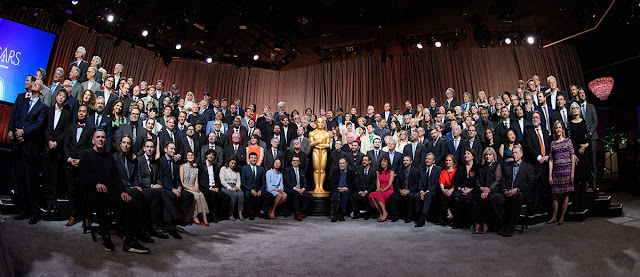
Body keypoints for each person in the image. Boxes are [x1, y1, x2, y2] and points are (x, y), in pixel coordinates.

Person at [78, 130, 149, 253]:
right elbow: (83, 175)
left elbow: (116, 177)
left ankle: (130, 241)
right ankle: (105, 236)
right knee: (101, 197)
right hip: (92, 192)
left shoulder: (109, 156)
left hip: (109, 192)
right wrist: (96, 183)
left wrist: (122, 191)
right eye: (98, 137)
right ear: (93, 140)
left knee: (129, 200)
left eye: (103, 137)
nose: (100, 139)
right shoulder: (86, 154)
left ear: (106, 141)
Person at [11, 80, 48, 224]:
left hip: (30, 147)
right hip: (18, 146)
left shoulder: (42, 106)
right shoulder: (23, 102)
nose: (34, 84)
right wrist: (17, 134)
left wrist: (24, 133)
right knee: (19, 180)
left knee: (30, 181)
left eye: (37, 84)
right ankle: (23, 210)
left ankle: (33, 213)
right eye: (34, 83)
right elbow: (17, 118)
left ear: (41, 90)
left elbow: (39, 125)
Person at [490, 145, 533, 237]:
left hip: (520, 193)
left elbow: (529, 184)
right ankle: (503, 224)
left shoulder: (528, 168)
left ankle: (511, 227)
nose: (514, 155)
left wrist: (516, 190)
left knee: (517, 197)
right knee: (495, 198)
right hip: (507, 193)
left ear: (521, 154)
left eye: (516, 153)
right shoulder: (507, 167)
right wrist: (505, 190)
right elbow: (502, 181)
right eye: (513, 153)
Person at [64, 105, 95, 227]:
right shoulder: (71, 127)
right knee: (72, 191)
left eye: (84, 112)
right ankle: (73, 215)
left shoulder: (91, 129)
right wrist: (69, 159)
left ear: (87, 115)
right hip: (70, 164)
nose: (81, 113)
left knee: (84, 192)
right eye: (80, 111)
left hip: (83, 165)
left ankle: (86, 217)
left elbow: (89, 148)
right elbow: (66, 145)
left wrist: (81, 161)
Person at [157, 142, 194, 239]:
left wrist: (179, 188)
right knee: (171, 196)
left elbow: (177, 178)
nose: (174, 151)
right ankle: (174, 222)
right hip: (166, 188)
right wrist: (172, 189)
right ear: (165, 150)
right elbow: (161, 178)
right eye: (171, 149)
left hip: (175, 188)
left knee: (189, 196)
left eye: (174, 149)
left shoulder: (175, 162)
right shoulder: (161, 161)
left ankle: (179, 218)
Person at [134, 139, 169, 239]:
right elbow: (138, 177)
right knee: (158, 193)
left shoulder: (154, 162)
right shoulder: (139, 160)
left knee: (163, 191)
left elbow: (157, 177)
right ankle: (154, 226)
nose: (149, 149)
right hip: (144, 188)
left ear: (154, 149)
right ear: (144, 148)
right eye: (147, 147)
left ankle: (156, 225)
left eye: (151, 147)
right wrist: (151, 185)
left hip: (153, 188)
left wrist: (158, 184)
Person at [44, 89, 71, 213]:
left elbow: (66, 131)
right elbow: (45, 127)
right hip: (47, 146)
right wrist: (49, 141)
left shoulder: (66, 113)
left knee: (55, 175)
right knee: (46, 174)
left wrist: (56, 142)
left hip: (58, 147)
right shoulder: (48, 110)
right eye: (60, 95)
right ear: (56, 97)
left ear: (65, 99)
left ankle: (53, 202)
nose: (61, 98)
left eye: (63, 97)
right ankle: (45, 201)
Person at [548, 121, 576, 225]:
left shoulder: (568, 141)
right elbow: (551, 160)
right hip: (556, 172)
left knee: (565, 194)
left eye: (560, 127)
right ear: (554, 130)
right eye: (556, 128)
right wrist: (550, 175)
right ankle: (554, 216)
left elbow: (572, 156)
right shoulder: (553, 143)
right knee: (554, 194)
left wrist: (572, 172)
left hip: (567, 171)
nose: (558, 129)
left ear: (562, 129)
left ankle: (562, 216)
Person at [523, 111, 551, 214]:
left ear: (540, 120)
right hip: (535, 164)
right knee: (536, 187)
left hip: (546, 163)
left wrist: (547, 156)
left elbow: (548, 145)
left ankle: (544, 209)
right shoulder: (528, 131)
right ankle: (535, 210)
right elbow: (529, 147)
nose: (534, 119)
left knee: (545, 187)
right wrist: (539, 158)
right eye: (533, 118)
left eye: (536, 117)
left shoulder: (545, 131)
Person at [568, 101, 591, 210]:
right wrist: (573, 154)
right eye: (572, 108)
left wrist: (585, 146)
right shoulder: (569, 124)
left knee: (584, 179)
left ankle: (584, 204)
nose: (574, 110)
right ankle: (577, 205)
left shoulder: (584, 122)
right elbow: (569, 141)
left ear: (579, 109)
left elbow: (589, 139)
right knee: (576, 181)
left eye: (576, 108)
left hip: (584, 154)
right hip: (575, 155)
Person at [197, 149, 230, 223]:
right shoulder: (201, 165)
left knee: (226, 197)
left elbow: (218, 180)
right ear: (206, 155)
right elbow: (200, 180)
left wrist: (217, 188)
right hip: (206, 188)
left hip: (215, 187)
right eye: (210, 154)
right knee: (213, 195)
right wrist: (210, 188)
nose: (211, 156)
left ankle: (219, 215)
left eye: (213, 155)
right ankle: (213, 216)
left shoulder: (216, 167)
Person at [474, 148, 502, 234]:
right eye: (486, 154)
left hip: (493, 190)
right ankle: (478, 222)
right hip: (482, 189)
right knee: (475, 198)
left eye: (490, 154)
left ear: (493, 156)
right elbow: (477, 180)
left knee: (485, 199)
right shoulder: (482, 167)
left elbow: (497, 180)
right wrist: (481, 188)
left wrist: (488, 190)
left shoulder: (497, 165)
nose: (488, 156)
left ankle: (484, 223)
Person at [451, 149, 480, 229]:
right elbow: (456, 181)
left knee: (469, 198)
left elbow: (478, 181)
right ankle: (457, 221)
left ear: (473, 156)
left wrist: (470, 189)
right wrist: (461, 189)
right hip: (461, 189)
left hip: (473, 190)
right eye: (465, 154)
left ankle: (468, 222)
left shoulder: (477, 167)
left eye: (468, 154)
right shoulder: (460, 167)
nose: (465, 155)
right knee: (456, 197)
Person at [180, 151, 209, 226]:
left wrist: (196, 188)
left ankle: (204, 217)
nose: (190, 156)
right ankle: (194, 216)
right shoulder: (182, 167)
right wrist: (191, 189)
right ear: (186, 157)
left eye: (192, 155)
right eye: (188, 155)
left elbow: (196, 182)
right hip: (186, 188)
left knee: (201, 195)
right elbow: (182, 183)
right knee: (195, 196)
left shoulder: (196, 169)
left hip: (193, 187)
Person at [415, 153, 443, 227]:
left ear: (433, 161)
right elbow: (420, 183)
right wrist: (421, 192)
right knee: (416, 196)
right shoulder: (422, 170)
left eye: (429, 159)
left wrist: (428, 191)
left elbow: (437, 183)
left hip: (433, 191)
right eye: (426, 158)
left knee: (428, 195)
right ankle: (418, 216)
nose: (427, 160)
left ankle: (423, 218)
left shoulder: (438, 169)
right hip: (423, 191)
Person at [389, 156, 420, 223]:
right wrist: (400, 190)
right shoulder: (400, 171)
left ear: (411, 162)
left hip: (411, 191)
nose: (405, 162)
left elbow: (416, 185)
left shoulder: (416, 172)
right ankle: (395, 216)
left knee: (410, 196)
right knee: (393, 196)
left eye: (407, 160)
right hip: (401, 190)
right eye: (404, 161)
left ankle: (409, 217)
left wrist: (408, 191)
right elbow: (396, 184)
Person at [284, 155, 313, 221]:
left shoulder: (302, 171)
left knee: (309, 196)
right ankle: (297, 213)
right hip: (291, 189)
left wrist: (303, 189)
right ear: (291, 162)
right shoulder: (288, 170)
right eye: (293, 160)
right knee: (296, 193)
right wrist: (295, 189)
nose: (295, 162)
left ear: (299, 163)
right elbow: (287, 181)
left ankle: (301, 211)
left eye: (296, 161)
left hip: (300, 189)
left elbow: (305, 182)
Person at [241, 152, 267, 220]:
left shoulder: (261, 169)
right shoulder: (244, 168)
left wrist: (260, 190)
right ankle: (251, 212)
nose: (253, 159)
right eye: (252, 158)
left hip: (259, 189)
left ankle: (262, 212)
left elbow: (263, 182)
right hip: (248, 189)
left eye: (255, 158)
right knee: (247, 195)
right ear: (249, 159)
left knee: (269, 195)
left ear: (257, 159)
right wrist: (251, 190)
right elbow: (243, 182)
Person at [368, 157, 395, 222]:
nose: (383, 163)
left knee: (378, 195)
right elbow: (378, 182)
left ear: (388, 163)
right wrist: (378, 188)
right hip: (380, 189)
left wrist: (383, 190)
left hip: (388, 190)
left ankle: (385, 212)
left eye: (385, 162)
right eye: (382, 162)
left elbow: (389, 184)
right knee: (371, 195)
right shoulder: (378, 172)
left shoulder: (391, 172)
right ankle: (381, 212)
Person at [220, 156, 244, 221]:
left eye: (235, 164)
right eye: (232, 163)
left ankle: (240, 213)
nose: (233, 165)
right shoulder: (223, 168)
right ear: (229, 162)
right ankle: (230, 213)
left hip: (235, 186)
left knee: (241, 194)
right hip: (226, 186)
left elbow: (238, 180)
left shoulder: (237, 171)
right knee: (234, 194)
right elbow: (222, 181)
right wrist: (229, 188)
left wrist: (237, 187)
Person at [351, 155, 376, 219]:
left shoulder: (373, 171)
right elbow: (357, 183)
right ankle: (356, 213)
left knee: (368, 196)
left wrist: (366, 192)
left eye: (365, 160)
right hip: (360, 190)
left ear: (369, 161)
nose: (363, 162)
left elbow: (373, 184)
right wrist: (360, 191)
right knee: (353, 197)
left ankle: (367, 214)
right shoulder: (359, 171)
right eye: (363, 160)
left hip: (369, 191)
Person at [437, 154, 457, 225]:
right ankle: (446, 216)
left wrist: (451, 190)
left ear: (453, 162)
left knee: (451, 196)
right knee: (442, 196)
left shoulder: (456, 171)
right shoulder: (443, 172)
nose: (448, 162)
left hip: (453, 189)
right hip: (444, 189)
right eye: (446, 160)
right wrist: (443, 190)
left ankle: (448, 214)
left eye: (449, 160)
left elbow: (456, 182)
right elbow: (441, 183)